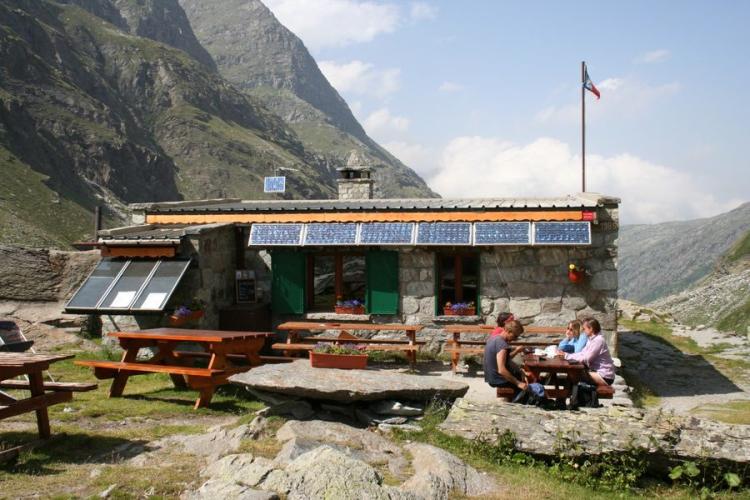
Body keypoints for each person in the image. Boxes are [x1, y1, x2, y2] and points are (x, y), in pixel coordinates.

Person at [559, 318, 615, 386]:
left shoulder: (598, 340)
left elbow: (586, 359)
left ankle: (575, 396)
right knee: (571, 377)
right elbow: (582, 353)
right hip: (596, 372)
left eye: (584, 329)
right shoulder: (591, 339)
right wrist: (566, 355)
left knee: (573, 377)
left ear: (591, 329)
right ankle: (570, 395)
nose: (583, 331)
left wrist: (566, 356)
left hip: (604, 376)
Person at [484, 320, 527, 395]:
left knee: (522, 374)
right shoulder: (502, 344)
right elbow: (501, 370)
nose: (515, 339)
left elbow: (504, 359)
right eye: (515, 336)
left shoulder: (494, 338)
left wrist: (516, 351)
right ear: (508, 331)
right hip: (498, 380)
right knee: (526, 382)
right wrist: (518, 383)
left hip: (491, 378)